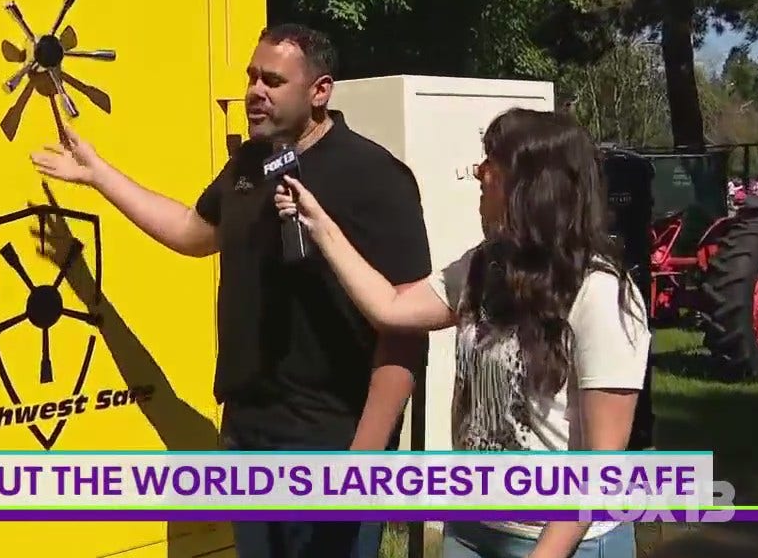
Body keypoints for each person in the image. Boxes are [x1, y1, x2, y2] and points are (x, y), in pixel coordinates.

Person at [31, 23, 433, 557]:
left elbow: (406, 331)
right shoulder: (250, 164)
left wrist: (362, 465)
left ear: (320, 91)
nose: (255, 91)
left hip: (329, 443)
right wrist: (99, 174)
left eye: (273, 80)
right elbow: (190, 231)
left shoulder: (374, 176)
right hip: (248, 435)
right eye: (251, 77)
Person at [274, 107, 651, 558]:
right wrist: (317, 221)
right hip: (473, 528)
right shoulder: (484, 266)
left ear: (530, 184)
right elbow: (390, 308)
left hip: (565, 543)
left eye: (491, 162)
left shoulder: (599, 292)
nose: (478, 172)